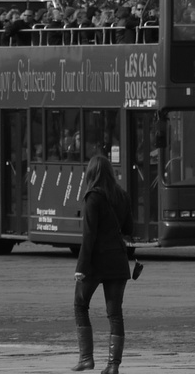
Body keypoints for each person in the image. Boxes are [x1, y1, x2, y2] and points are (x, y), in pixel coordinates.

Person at [73, 154, 133, 374]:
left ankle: (86, 358)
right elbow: (129, 229)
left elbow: (89, 236)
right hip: (118, 261)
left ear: (91, 174)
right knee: (115, 313)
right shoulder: (123, 196)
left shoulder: (93, 198)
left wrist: (81, 268)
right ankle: (113, 365)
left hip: (97, 262)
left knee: (80, 305)